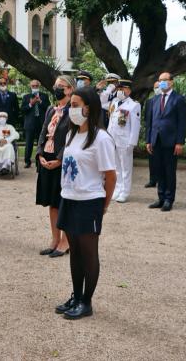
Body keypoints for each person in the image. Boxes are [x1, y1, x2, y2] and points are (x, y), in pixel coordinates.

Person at [54, 86, 117, 320]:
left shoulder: (101, 139)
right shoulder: (72, 134)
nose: (72, 109)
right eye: (71, 104)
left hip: (89, 201)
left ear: (89, 107)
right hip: (69, 199)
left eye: (75, 104)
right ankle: (76, 296)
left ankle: (86, 302)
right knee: (75, 252)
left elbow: (110, 176)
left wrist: (104, 205)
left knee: (89, 253)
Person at [36, 75, 74, 258]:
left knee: (64, 202)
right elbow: (43, 131)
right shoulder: (51, 109)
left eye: (62, 86)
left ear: (70, 90)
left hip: (63, 161)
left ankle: (66, 241)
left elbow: (72, 138)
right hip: (47, 157)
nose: (57, 88)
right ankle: (54, 239)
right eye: (56, 85)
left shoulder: (73, 111)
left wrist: (59, 159)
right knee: (52, 202)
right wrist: (40, 154)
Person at [146, 72, 186, 212]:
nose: (162, 82)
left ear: (171, 82)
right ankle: (161, 197)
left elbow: (182, 123)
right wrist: (148, 140)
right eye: (160, 80)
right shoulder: (155, 99)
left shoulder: (179, 99)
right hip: (156, 140)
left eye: (164, 80)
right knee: (158, 171)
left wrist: (180, 142)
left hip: (171, 142)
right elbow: (151, 122)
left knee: (169, 171)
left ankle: (169, 199)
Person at [107, 79, 141, 203]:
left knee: (125, 168)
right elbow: (111, 122)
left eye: (122, 89)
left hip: (125, 140)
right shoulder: (115, 103)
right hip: (113, 139)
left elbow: (135, 125)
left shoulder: (134, 105)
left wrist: (132, 142)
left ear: (129, 90)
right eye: (118, 89)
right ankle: (117, 189)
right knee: (116, 167)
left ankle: (125, 192)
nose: (120, 91)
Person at [21, 79, 50, 168]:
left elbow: (48, 109)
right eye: (33, 86)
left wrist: (40, 102)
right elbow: (23, 110)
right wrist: (30, 104)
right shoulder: (26, 97)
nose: (34, 87)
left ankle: (39, 162)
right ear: (30, 87)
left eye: (36, 86)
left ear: (39, 86)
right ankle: (27, 161)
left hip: (41, 124)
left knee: (40, 144)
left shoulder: (44, 96)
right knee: (28, 144)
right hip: (30, 124)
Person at [144, 81, 162, 187]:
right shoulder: (149, 102)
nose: (157, 89)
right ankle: (152, 180)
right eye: (155, 87)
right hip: (152, 135)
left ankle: (161, 180)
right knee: (152, 159)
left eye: (159, 87)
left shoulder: (166, 101)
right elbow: (147, 121)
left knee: (162, 160)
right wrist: (148, 139)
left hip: (163, 136)